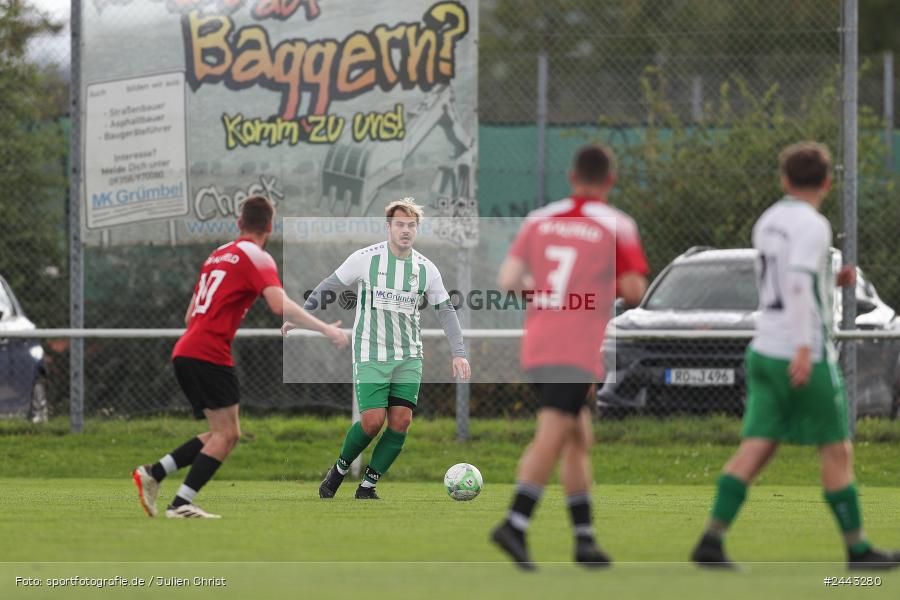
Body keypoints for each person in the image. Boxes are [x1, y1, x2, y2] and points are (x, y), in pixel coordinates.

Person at [690, 142, 899, 570]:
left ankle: (711, 540)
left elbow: (787, 277)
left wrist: (830, 276)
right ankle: (858, 551)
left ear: (785, 180)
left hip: (763, 348)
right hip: (800, 350)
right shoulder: (814, 224)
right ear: (827, 181)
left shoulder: (768, 221)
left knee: (757, 448)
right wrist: (805, 350)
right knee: (837, 449)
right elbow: (799, 286)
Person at [132, 196, 348, 519]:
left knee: (221, 432)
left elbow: (191, 314)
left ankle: (154, 474)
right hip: (209, 353)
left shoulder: (217, 255)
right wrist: (326, 330)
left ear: (239, 223)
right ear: (270, 227)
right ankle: (180, 504)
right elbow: (279, 305)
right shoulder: (257, 257)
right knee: (228, 435)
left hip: (186, 349)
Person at [491, 145, 649, 570]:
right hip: (575, 345)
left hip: (540, 341)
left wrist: (549, 294)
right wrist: (594, 291)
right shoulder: (616, 224)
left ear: (571, 176)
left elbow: (507, 279)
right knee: (553, 432)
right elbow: (635, 291)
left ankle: (584, 540)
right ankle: (515, 522)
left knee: (579, 436)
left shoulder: (540, 219)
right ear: (610, 180)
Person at [283, 198, 471, 500]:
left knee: (402, 421)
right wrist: (300, 315)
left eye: (411, 225)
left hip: (409, 355)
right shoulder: (365, 258)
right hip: (370, 353)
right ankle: (339, 469)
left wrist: (458, 351)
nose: (406, 230)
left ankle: (368, 485)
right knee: (372, 422)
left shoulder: (426, 268)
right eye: (400, 224)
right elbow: (329, 286)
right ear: (389, 227)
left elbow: (446, 310)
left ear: (417, 229)